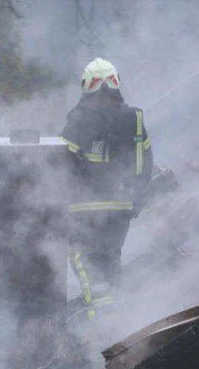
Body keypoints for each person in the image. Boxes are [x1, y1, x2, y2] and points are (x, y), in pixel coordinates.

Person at [59, 57, 153, 320]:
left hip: (82, 208)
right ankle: (121, 317)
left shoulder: (77, 120)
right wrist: (137, 198)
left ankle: (102, 325)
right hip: (122, 206)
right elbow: (146, 162)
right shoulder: (134, 119)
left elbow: (61, 162)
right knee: (110, 261)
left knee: (83, 261)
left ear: (87, 87)